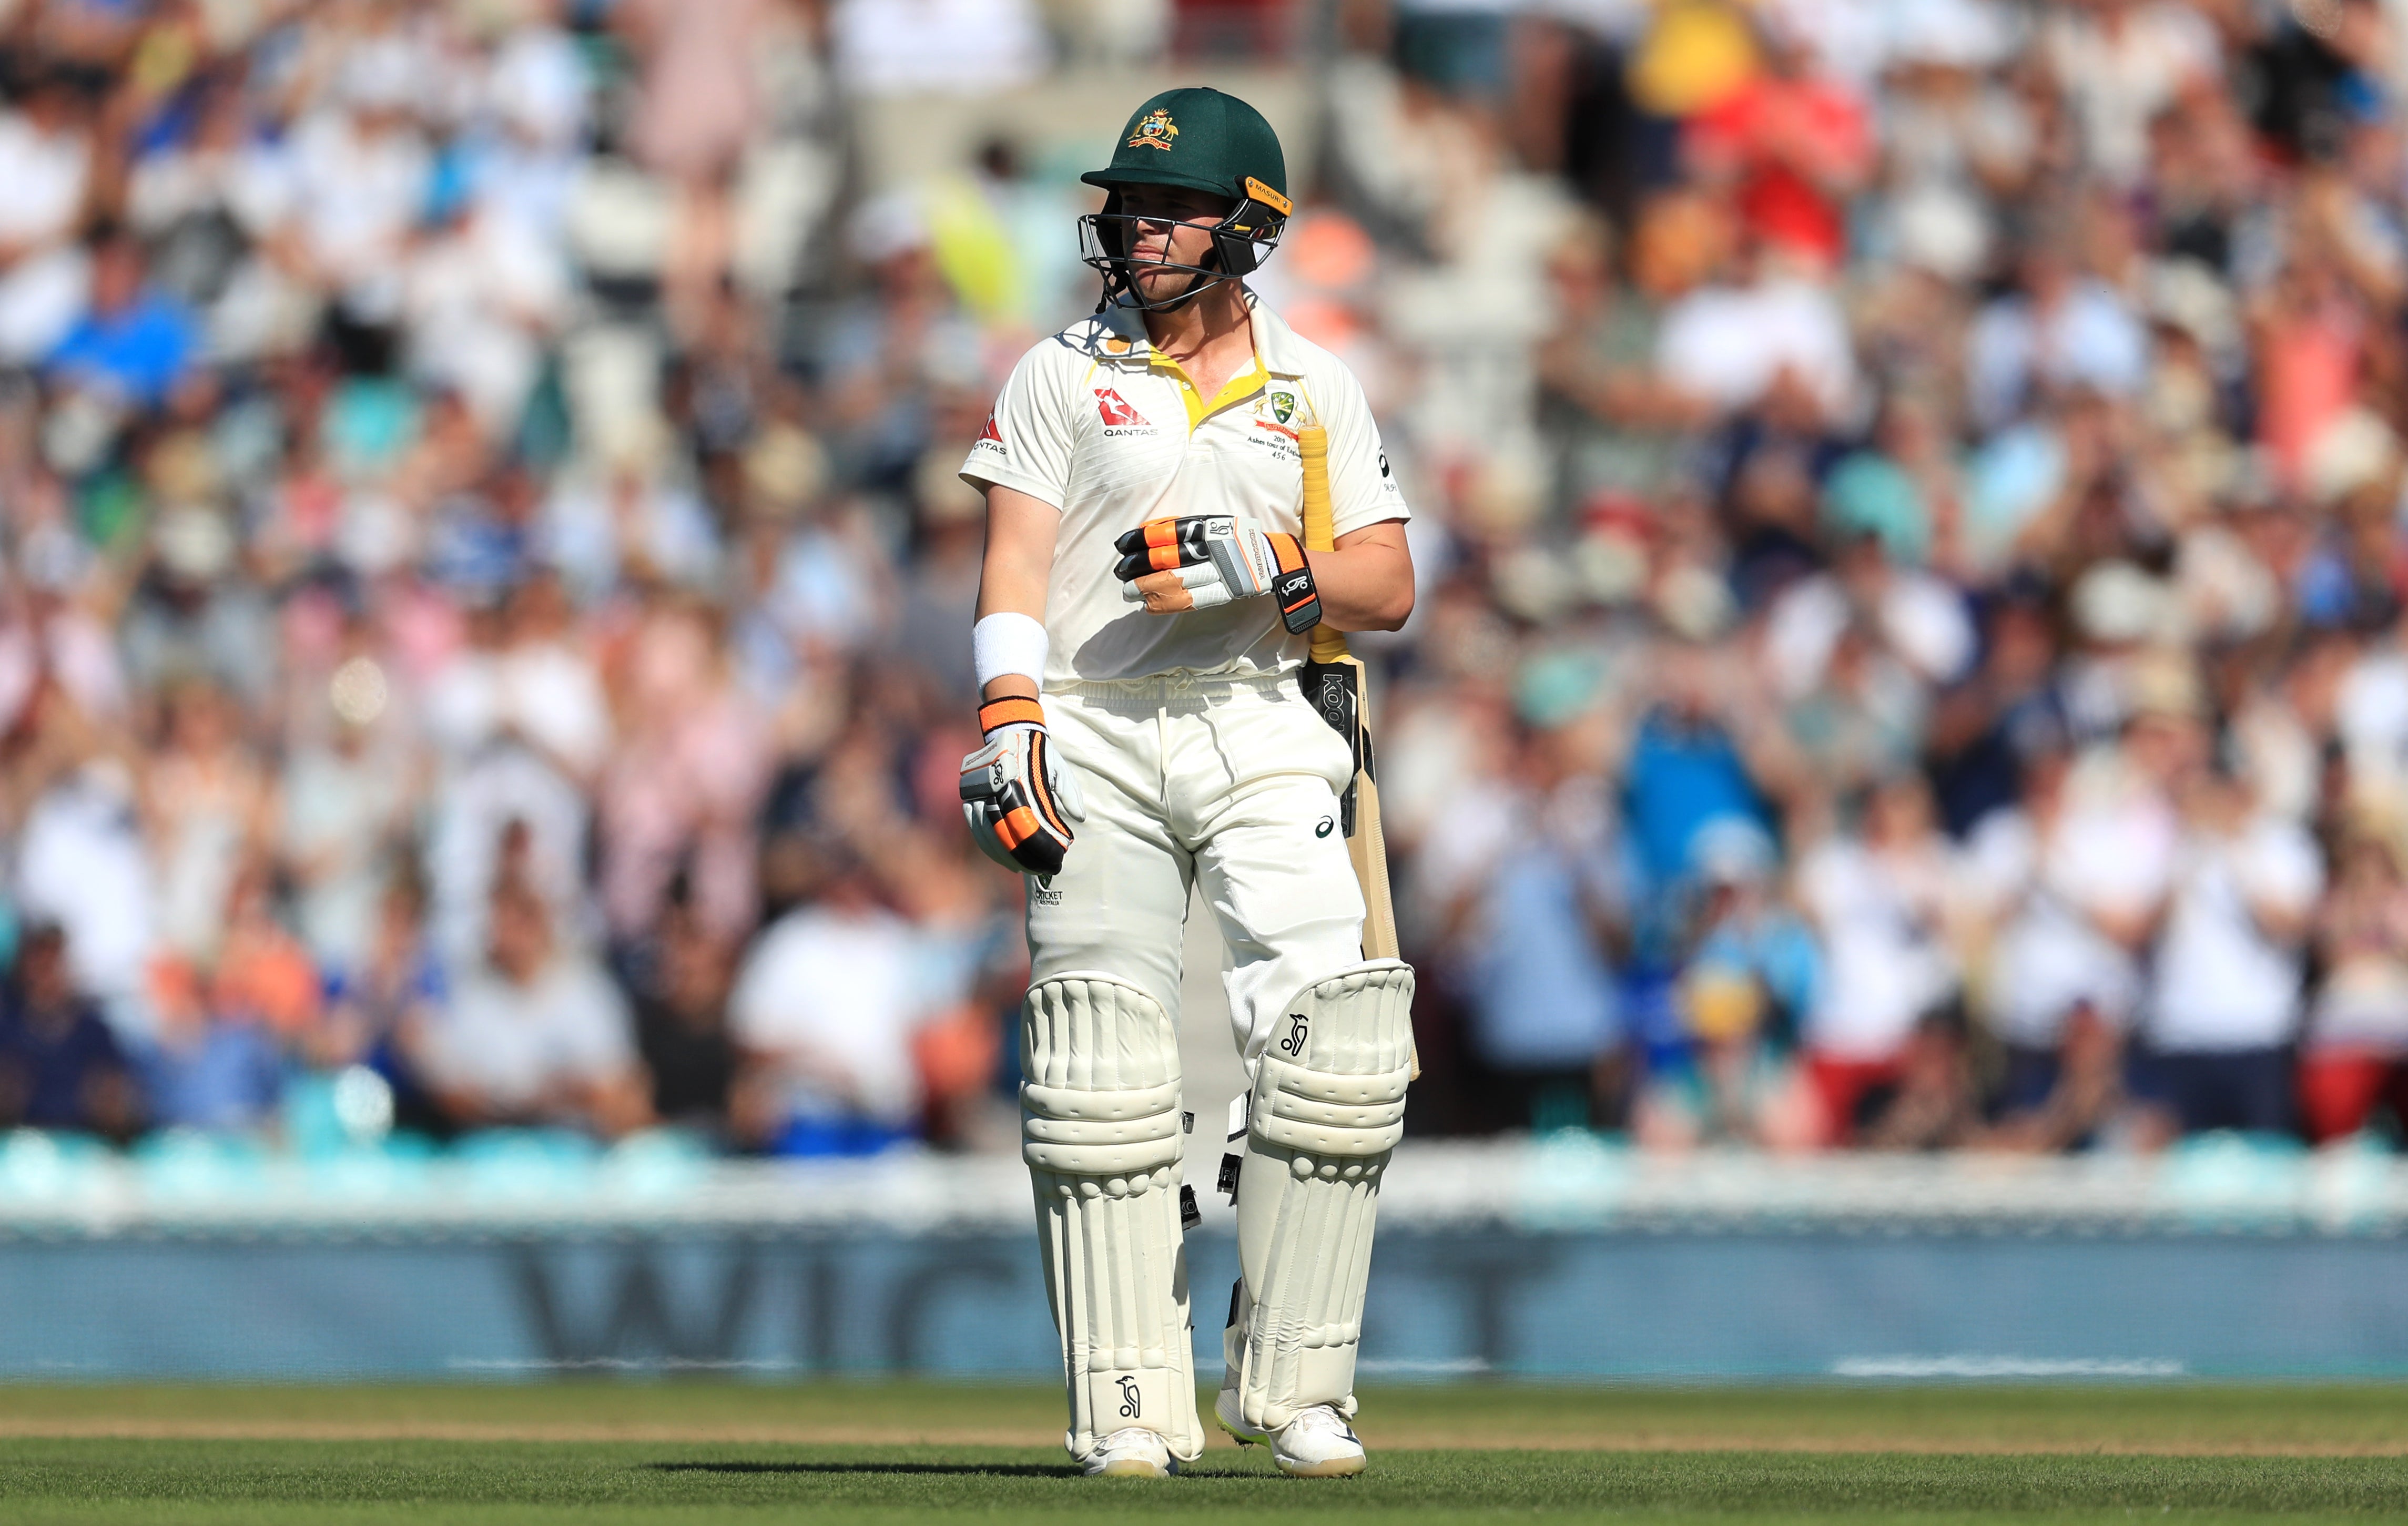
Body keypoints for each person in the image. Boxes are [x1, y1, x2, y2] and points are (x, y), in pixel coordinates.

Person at [956, 88, 1415, 1479]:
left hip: (1259, 716)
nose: (1138, 229)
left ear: (1249, 227)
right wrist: (1007, 711)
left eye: (1173, 209)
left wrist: (1272, 569)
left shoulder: (1312, 385)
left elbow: (1386, 583)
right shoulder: (1054, 371)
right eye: (1131, 205)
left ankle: (1297, 1387)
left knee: (1334, 1035)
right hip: (1091, 719)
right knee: (1096, 1057)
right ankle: (1127, 1402)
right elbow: (1015, 564)